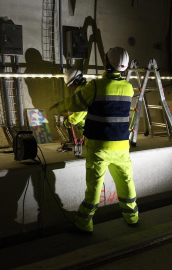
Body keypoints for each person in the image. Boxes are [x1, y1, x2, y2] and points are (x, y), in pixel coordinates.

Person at [52, 47, 139, 233]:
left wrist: (58, 107)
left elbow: (76, 104)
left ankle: (84, 223)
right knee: (126, 183)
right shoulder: (129, 88)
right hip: (122, 147)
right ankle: (132, 218)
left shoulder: (96, 86)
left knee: (94, 187)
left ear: (106, 63)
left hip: (99, 146)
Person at [63, 68, 87, 138]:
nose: (71, 88)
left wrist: (67, 123)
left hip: (91, 131)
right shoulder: (90, 87)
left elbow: (78, 116)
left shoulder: (81, 92)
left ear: (76, 82)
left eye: (71, 85)